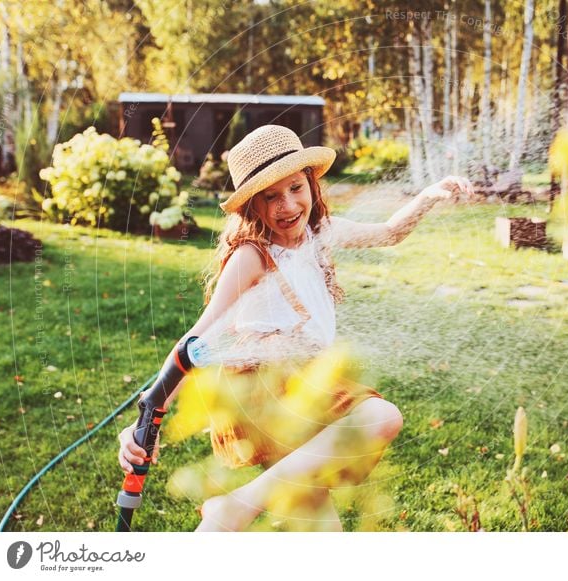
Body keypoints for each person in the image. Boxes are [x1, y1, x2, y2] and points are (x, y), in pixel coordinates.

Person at [118, 125, 474, 531]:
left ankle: (222, 520)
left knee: (320, 526)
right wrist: (150, 410)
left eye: (295, 188)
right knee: (380, 416)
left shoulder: (320, 234)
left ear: (312, 185)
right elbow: (197, 341)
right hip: (266, 387)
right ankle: (236, 506)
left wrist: (428, 196)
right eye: (270, 196)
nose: (287, 205)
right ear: (252, 205)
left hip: (300, 382)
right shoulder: (252, 256)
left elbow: (390, 233)